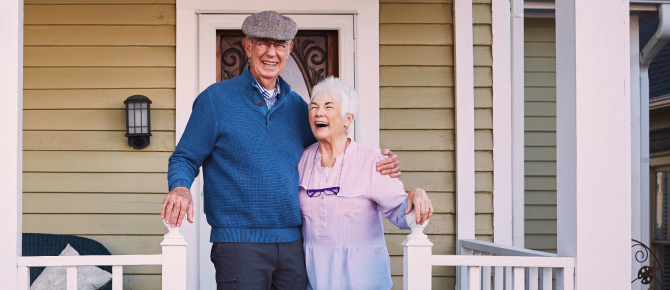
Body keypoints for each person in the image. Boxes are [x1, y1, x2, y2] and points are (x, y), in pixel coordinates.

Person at [160, 11, 401, 290]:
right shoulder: (215, 100)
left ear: (290, 49)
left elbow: (329, 151)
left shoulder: (300, 107)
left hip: (292, 243)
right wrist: (180, 187)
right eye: (263, 43)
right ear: (248, 46)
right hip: (239, 243)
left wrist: (378, 162)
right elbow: (185, 157)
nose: (271, 53)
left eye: (280, 45)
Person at [299, 76, 433, 290]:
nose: (318, 112)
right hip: (316, 281)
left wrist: (416, 194)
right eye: (314, 106)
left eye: (328, 106)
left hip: (364, 280)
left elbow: (400, 214)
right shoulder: (301, 160)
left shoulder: (373, 160)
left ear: (347, 119)